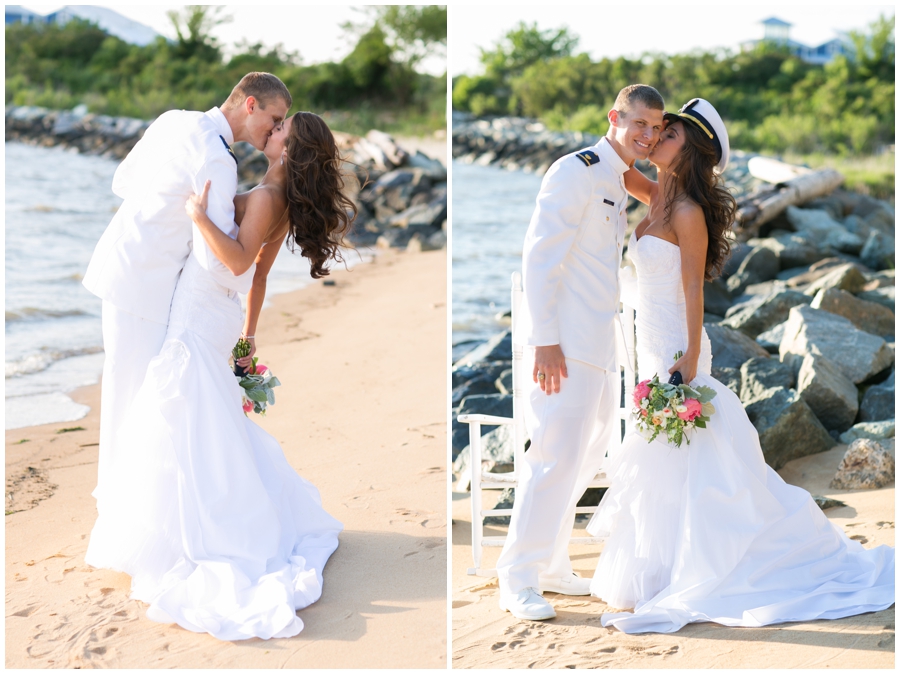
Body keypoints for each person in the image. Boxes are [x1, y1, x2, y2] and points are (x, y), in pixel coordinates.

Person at [589, 98, 895, 633]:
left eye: (669, 133)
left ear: (693, 150)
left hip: (674, 347)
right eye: (658, 129)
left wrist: (686, 353)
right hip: (647, 344)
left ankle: (704, 563)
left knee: (687, 455)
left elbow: (691, 288)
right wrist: (618, 132)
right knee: (667, 461)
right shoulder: (660, 194)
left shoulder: (686, 212)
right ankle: (662, 568)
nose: (658, 136)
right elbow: (617, 167)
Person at [83, 106, 353, 640]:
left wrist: (199, 217)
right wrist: (246, 341)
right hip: (217, 316)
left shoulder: (271, 197)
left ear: (290, 151)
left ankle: (178, 531)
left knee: (180, 412)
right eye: (274, 125)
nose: (271, 133)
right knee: (200, 418)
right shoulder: (279, 201)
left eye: (281, 132)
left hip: (200, 312)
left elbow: (235, 263)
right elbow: (258, 279)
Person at [495, 85, 665, 621]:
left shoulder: (619, 176)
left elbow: (665, 199)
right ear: (614, 117)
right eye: (639, 124)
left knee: (586, 455)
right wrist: (544, 340)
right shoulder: (577, 169)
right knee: (553, 456)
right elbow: (539, 257)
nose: (647, 135)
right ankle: (516, 577)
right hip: (562, 343)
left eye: (656, 129)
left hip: (598, 340)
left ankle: (550, 562)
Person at [82, 71, 290, 503]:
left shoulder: (173, 119)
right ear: (250, 104)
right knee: (132, 398)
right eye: (274, 118)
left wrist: (160, 210)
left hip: (122, 263)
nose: (274, 129)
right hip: (146, 284)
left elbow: (123, 181)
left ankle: (128, 505)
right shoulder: (217, 159)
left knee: (129, 391)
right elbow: (219, 262)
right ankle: (122, 507)